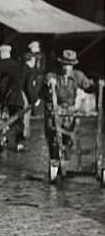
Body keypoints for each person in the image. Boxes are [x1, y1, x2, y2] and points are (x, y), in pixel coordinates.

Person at [43, 49, 96, 178]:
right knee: (54, 140)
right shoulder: (52, 76)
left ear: (73, 66)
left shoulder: (78, 76)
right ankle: (55, 164)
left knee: (68, 141)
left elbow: (89, 86)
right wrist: (49, 85)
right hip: (54, 112)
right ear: (60, 64)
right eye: (65, 65)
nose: (67, 68)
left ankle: (64, 164)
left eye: (70, 65)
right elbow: (43, 91)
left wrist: (97, 85)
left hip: (70, 113)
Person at [0, 44, 26, 151]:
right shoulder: (16, 64)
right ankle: (17, 143)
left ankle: (2, 137)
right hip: (18, 97)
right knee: (19, 121)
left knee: (1, 120)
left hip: (7, 96)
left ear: (0, 54)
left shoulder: (0, 66)